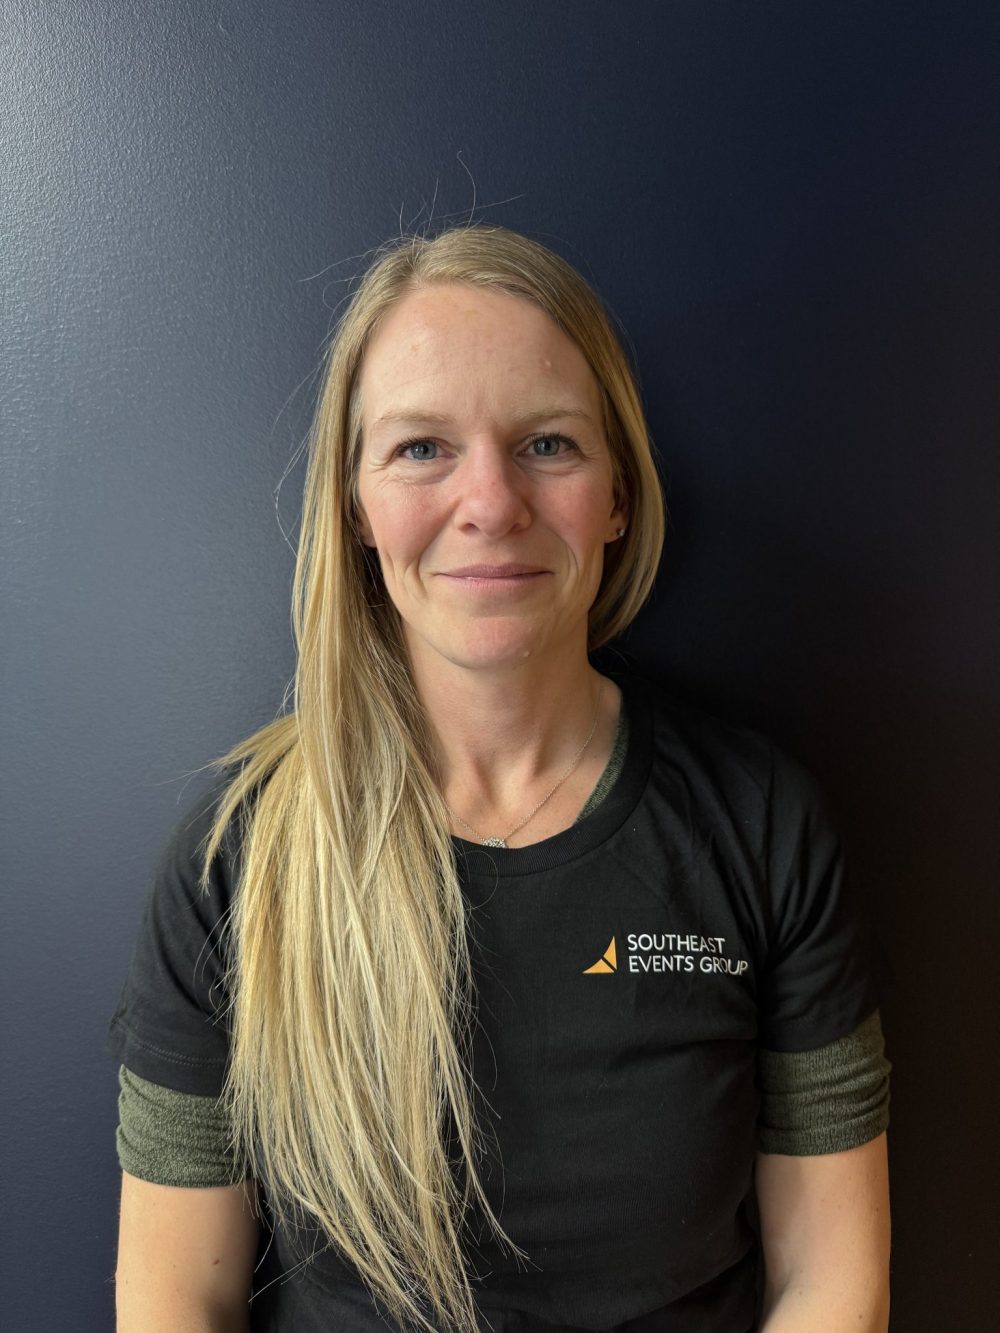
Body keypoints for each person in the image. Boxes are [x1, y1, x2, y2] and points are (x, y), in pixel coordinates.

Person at [109, 224, 891, 1333]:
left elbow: (833, 1278)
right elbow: (174, 1296)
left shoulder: (761, 827)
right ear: (355, 505)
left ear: (618, 496)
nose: (490, 502)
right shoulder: (234, 864)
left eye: (548, 443)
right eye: (421, 447)